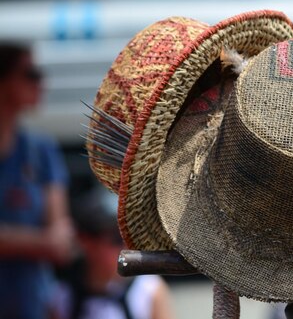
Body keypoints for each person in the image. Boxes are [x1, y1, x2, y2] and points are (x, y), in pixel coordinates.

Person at [0, 42, 75, 319]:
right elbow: (52, 240)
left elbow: (62, 243)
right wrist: (41, 242)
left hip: (33, 305)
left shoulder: (41, 150)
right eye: (31, 74)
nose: (41, 82)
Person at [52, 186, 175, 319]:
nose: (127, 247)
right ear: (86, 241)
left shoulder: (149, 290)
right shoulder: (63, 297)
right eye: (117, 239)